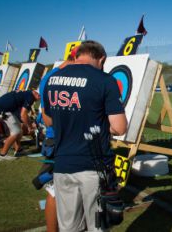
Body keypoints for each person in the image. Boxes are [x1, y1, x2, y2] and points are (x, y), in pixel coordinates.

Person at [42, 40, 127, 231]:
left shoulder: (53, 79)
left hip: (62, 166)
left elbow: (48, 121)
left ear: (77, 55)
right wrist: (96, 123)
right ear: (101, 58)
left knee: (69, 227)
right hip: (94, 167)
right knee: (97, 226)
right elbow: (120, 128)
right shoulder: (104, 80)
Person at [37, 48, 77, 232]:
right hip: (64, 140)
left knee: (58, 189)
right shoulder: (65, 78)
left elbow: (47, 117)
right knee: (56, 190)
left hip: (56, 139)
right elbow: (49, 119)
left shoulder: (49, 76)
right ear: (75, 58)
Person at [0, 90, 40, 161]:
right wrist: (30, 126)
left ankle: (18, 150)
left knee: (19, 131)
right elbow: (23, 115)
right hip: (2, 110)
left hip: (2, 108)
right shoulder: (30, 97)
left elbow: (21, 115)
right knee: (16, 132)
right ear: (36, 94)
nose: (39, 98)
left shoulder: (26, 94)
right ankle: (2, 155)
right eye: (40, 96)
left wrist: (29, 124)